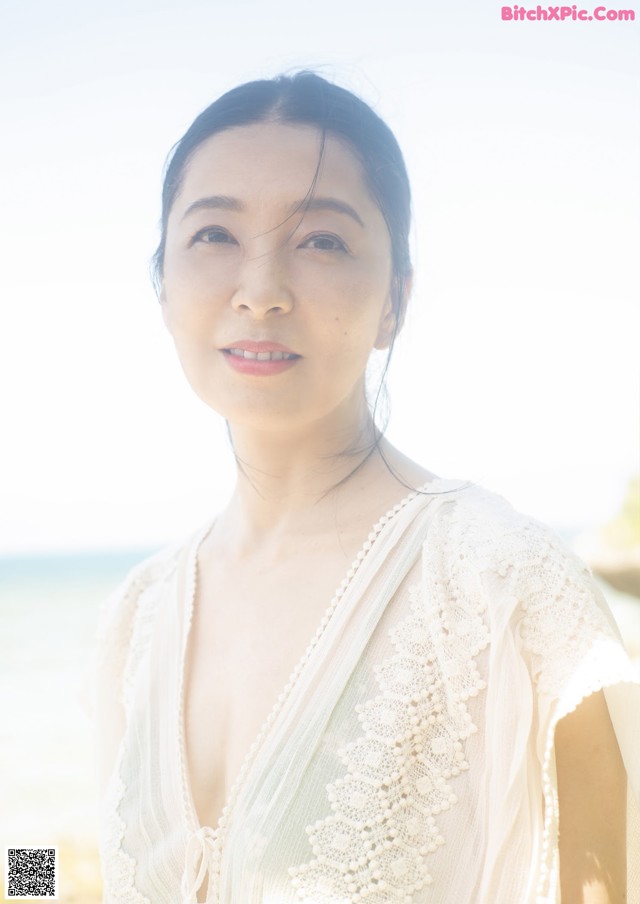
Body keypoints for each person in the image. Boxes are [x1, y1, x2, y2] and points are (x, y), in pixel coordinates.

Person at [92, 72, 640, 904]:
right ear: (162, 284)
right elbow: (47, 851)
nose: (261, 292)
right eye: (214, 234)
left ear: (394, 302)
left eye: (322, 241)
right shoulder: (135, 617)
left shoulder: (503, 588)